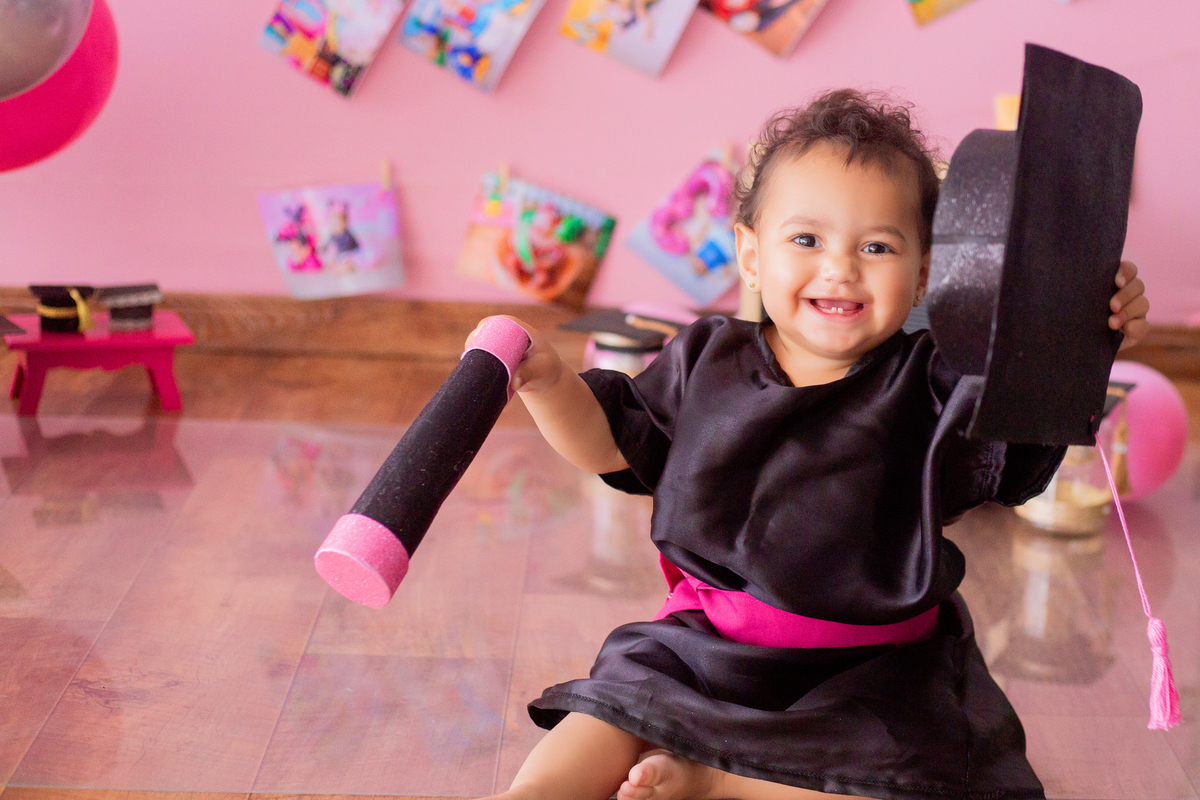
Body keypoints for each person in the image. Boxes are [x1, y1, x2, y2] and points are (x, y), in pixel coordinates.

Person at [470, 90, 1150, 800]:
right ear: (751, 254)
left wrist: (1083, 328)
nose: (841, 267)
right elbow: (608, 443)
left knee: (909, 780)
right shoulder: (705, 359)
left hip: (876, 677)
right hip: (710, 650)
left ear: (923, 274)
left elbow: (1021, 433)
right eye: (806, 240)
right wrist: (548, 381)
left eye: (877, 247)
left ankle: (715, 783)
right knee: (608, 713)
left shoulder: (935, 382)